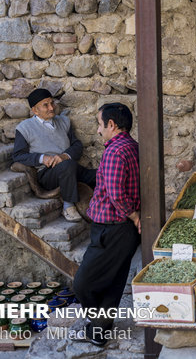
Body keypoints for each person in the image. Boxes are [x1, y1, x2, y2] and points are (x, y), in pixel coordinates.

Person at [73, 102, 140, 347]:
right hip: (123, 230)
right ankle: (99, 331)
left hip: (111, 228)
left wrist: (133, 215)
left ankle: (98, 324)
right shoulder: (133, 146)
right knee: (113, 282)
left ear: (111, 125)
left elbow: (116, 194)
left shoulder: (114, 151)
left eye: (100, 125)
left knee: (82, 284)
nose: (99, 131)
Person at [12, 88, 96, 222]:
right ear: (35, 110)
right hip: (47, 174)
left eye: (52, 103)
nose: (51, 107)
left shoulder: (63, 122)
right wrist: (41, 158)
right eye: (45, 105)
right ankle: (68, 205)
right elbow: (18, 155)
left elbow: (77, 146)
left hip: (70, 167)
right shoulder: (24, 128)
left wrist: (64, 156)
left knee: (101, 174)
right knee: (67, 166)